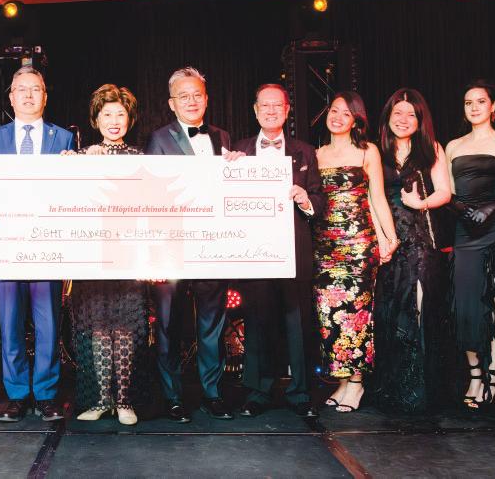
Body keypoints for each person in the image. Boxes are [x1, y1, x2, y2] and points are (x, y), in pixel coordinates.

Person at [145, 66, 244, 422]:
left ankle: (212, 393)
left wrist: (238, 167)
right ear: (172, 103)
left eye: (197, 95)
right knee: (168, 325)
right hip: (171, 248)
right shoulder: (158, 139)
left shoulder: (223, 136)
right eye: (183, 96)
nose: (191, 101)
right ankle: (172, 397)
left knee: (212, 324)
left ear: (207, 99)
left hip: (211, 246)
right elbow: (150, 197)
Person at [0, 66, 75, 422]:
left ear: (45, 96)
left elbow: (72, 192)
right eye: (22, 89)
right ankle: (17, 394)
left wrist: (75, 169)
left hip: (47, 244)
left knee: (48, 323)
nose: (29, 95)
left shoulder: (63, 139)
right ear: (11, 96)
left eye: (36, 89)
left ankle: (46, 394)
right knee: (10, 323)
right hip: (7, 243)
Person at [231, 84, 324, 418]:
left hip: (294, 249)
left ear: (287, 110)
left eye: (277, 106)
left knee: (297, 323)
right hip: (254, 251)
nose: (271, 111)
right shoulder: (238, 151)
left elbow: (320, 199)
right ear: (255, 111)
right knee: (258, 322)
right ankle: (258, 392)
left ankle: (300, 392)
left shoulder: (305, 152)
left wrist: (306, 200)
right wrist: (229, 171)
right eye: (265, 106)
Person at [60, 84, 149, 426]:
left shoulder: (142, 159)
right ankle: (100, 400)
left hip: (128, 253)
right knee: (96, 329)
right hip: (90, 254)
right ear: (96, 120)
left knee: (125, 328)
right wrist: (67, 167)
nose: (114, 121)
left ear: (130, 119)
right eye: (107, 114)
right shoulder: (80, 157)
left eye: (120, 114)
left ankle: (124, 401)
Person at [313, 91, 398, 414]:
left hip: (358, 244)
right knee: (330, 316)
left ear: (355, 120)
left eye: (346, 113)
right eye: (334, 110)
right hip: (324, 247)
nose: (337, 117)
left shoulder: (367, 151)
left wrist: (389, 237)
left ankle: (358, 382)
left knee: (357, 315)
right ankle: (342, 379)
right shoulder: (316, 154)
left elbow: (377, 198)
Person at [370, 88, 453, 414]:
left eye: (411, 115)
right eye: (398, 113)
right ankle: (393, 389)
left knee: (419, 310)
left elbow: (445, 192)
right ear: (388, 117)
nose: (403, 120)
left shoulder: (432, 148)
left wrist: (421, 202)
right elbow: (371, 198)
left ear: (420, 120)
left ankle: (420, 391)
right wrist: (382, 237)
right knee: (389, 311)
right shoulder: (376, 152)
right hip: (389, 242)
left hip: (420, 240)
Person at [444, 79, 495, 411]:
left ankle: (493, 374)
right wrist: (459, 208)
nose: (474, 107)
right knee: (466, 305)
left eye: (481, 101)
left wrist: (492, 207)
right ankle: (474, 374)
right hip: (466, 231)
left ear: (493, 106)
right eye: (468, 102)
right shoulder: (453, 146)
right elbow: (447, 191)